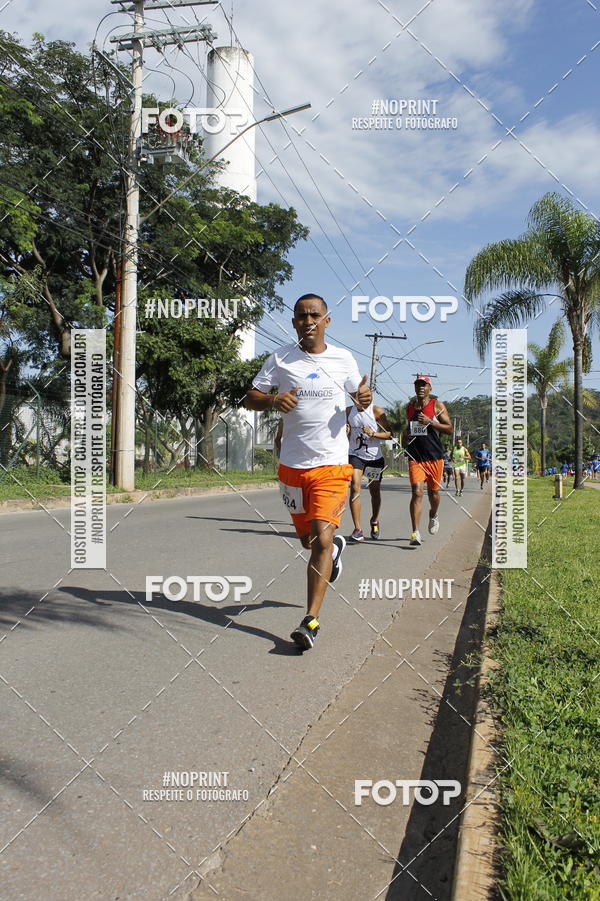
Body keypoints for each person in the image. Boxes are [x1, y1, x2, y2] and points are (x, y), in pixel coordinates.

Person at [244, 293, 372, 651]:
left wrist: (362, 399)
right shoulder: (280, 359)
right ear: (294, 322)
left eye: (315, 314)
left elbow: (359, 397)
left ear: (327, 320)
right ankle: (333, 556)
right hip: (292, 468)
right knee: (308, 542)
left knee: (320, 538)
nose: (308, 320)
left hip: (332, 464)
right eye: (301, 315)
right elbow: (250, 396)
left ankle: (310, 620)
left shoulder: (343, 357)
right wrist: (272, 400)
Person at [402, 375, 453, 546]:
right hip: (415, 456)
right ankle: (415, 532)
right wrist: (405, 441)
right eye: (418, 385)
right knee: (417, 492)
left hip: (434, 457)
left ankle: (434, 514)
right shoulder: (410, 408)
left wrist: (430, 422)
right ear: (415, 388)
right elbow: (407, 429)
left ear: (430, 388)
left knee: (434, 493)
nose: (420, 388)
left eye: (424, 385)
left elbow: (449, 429)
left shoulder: (437, 405)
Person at [346, 400, 393, 541]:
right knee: (355, 487)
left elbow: (389, 434)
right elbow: (338, 427)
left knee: (375, 491)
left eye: (366, 396)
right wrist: (345, 429)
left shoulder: (377, 411)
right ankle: (358, 529)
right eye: (357, 396)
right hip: (355, 455)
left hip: (374, 458)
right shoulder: (348, 411)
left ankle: (374, 520)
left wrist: (373, 434)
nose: (361, 399)